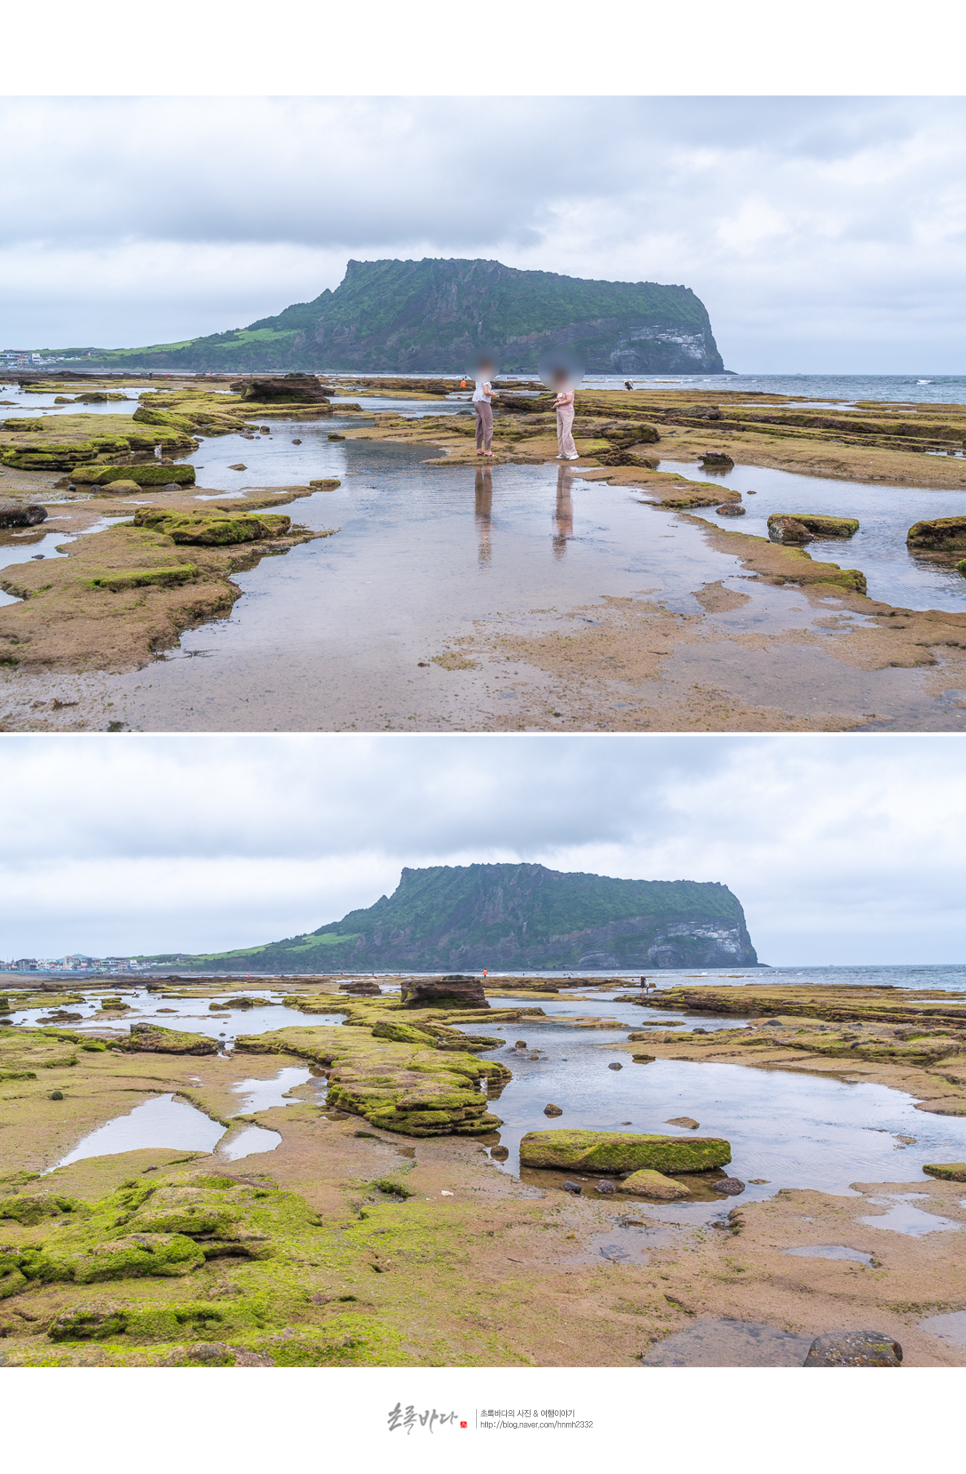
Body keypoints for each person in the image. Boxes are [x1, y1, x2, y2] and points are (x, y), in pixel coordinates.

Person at [552, 369, 578, 459]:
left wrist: (558, 403)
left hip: (567, 411)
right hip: (559, 411)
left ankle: (572, 453)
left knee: (566, 433)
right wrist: (557, 401)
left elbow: (569, 400)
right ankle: (563, 453)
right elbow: (562, 398)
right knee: (560, 432)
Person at [473, 360, 495, 457]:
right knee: (488, 426)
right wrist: (492, 394)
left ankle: (479, 449)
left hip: (476, 402)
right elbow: (486, 392)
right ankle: (488, 450)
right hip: (484, 402)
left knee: (479, 425)